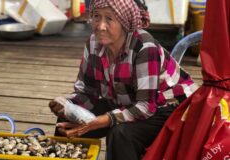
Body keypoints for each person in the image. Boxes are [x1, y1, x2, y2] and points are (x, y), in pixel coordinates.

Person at [48, 0, 198, 159]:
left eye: (109, 19)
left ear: (125, 23)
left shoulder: (144, 47)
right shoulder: (93, 43)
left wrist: (103, 120)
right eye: (96, 16)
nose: (100, 26)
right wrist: (68, 104)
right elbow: (86, 90)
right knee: (65, 119)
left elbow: (146, 106)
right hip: (125, 101)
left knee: (121, 134)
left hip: (169, 108)